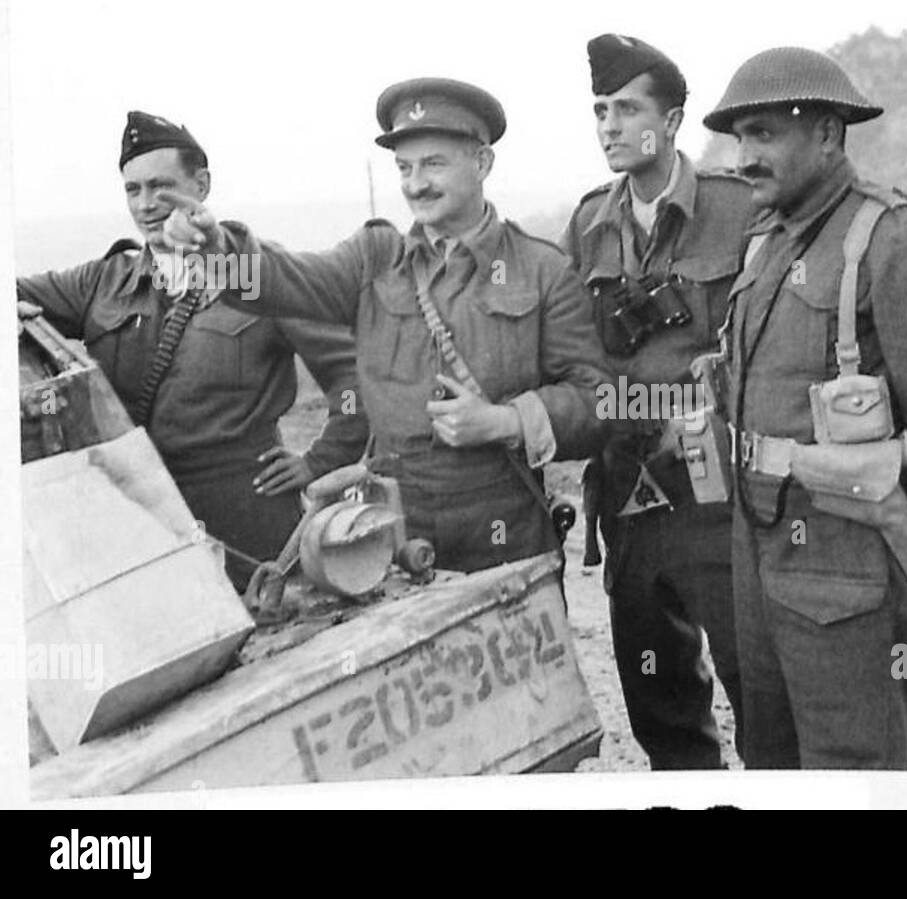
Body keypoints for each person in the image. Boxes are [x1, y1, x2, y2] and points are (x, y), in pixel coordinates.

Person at [151, 79, 608, 572]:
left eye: (434, 164)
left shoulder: (542, 269)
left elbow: (596, 400)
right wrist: (219, 248)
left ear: (482, 163)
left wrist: (505, 421)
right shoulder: (374, 259)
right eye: (404, 168)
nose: (416, 184)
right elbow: (287, 280)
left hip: (504, 528)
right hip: (389, 531)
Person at [703, 47, 907, 768]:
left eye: (764, 133)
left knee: (857, 768)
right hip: (759, 552)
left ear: (828, 134)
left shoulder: (892, 238)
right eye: (739, 137)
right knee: (771, 756)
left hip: (852, 567)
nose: (745, 155)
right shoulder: (766, 244)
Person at [16, 111, 369, 590]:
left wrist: (319, 461)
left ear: (200, 184)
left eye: (159, 187)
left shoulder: (257, 277)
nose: (144, 205)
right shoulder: (103, 281)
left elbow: (354, 379)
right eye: (132, 190)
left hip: (248, 521)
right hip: (143, 524)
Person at [564, 34, 751, 769]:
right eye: (601, 109)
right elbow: (573, 352)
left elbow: (764, 346)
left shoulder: (737, 211)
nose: (609, 125)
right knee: (661, 707)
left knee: (757, 690)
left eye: (628, 108)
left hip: (717, 492)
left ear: (672, 122)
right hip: (629, 491)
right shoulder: (587, 225)